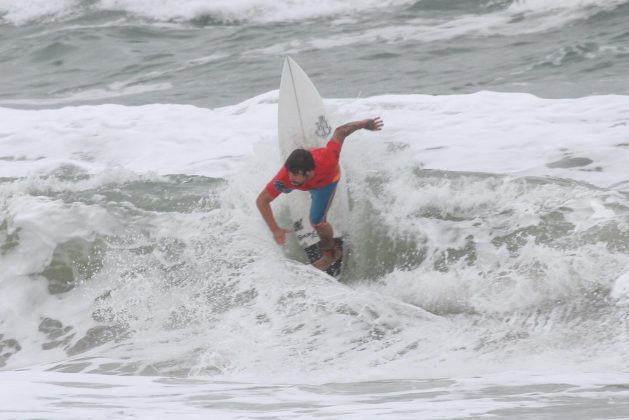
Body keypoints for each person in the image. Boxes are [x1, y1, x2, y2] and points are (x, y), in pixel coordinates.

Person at [256, 117, 384, 271]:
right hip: (304, 179)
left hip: (326, 183)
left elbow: (340, 132)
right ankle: (299, 168)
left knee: (317, 222)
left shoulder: (328, 159)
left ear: (310, 172)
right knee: (285, 186)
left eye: (297, 176)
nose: (293, 179)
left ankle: (330, 252)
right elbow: (262, 201)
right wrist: (275, 229)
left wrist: (364, 124)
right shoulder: (285, 179)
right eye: (291, 174)